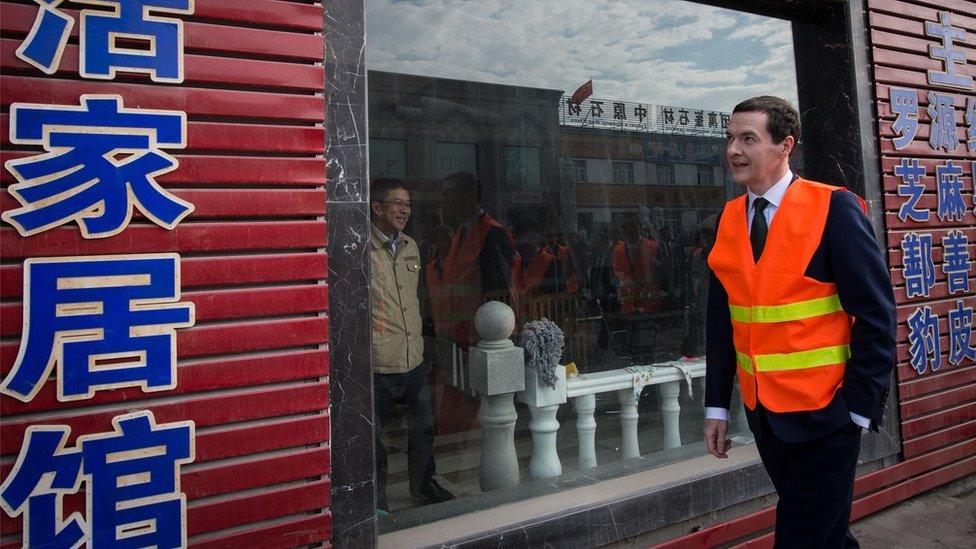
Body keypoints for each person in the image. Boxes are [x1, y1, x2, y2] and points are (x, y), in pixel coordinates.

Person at [703, 96, 896, 548]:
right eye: (730, 137)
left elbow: (876, 314)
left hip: (828, 417)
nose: (734, 149)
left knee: (800, 538)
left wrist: (857, 411)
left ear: (785, 145)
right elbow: (720, 322)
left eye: (749, 138)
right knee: (826, 536)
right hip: (765, 418)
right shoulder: (728, 220)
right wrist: (717, 407)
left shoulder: (834, 208)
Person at [369, 178, 454, 515]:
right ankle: (377, 502)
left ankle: (422, 484)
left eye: (408, 203)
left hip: (413, 356)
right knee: (375, 440)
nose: (404, 209)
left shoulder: (412, 246)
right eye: (397, 203)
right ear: (377, 207)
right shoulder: (359, 247)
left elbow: (418, 300)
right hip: (377, 360)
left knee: (424, 428)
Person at [440, 171, 516, 349]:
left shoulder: (493, 233)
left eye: (449, 193)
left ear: (469, 194)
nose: (445, 200)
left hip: (483, 335)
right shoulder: (462, 232)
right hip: (457, 330)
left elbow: (499, 292)